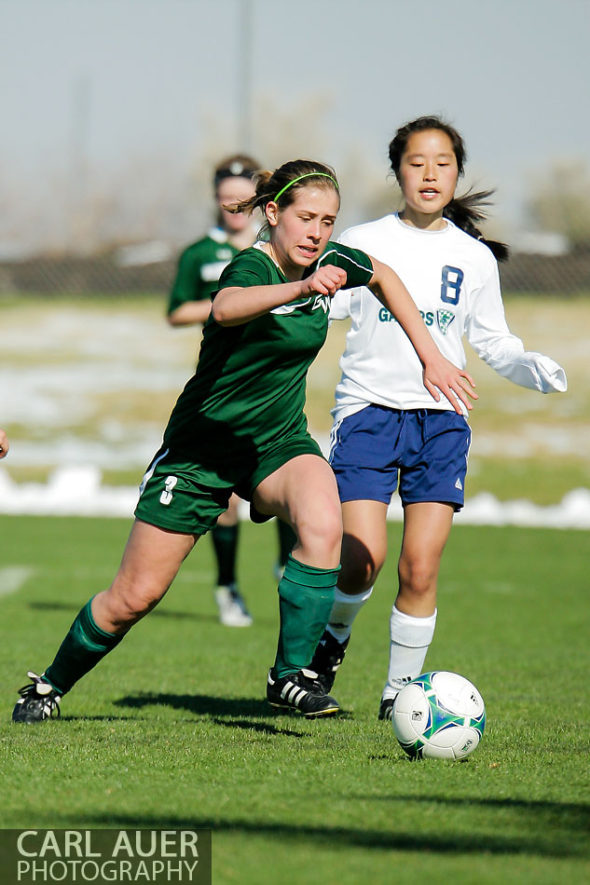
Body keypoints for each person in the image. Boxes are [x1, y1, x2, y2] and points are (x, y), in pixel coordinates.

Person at [13, 158, 476, 725]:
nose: (318, 232)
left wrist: (431, 354)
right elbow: (226, 308)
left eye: (328, 221)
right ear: (274, 213)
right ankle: (48, 686)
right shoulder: (251, 268)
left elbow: (384, 276)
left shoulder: (331, 260)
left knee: (324, 520)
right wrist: (301, 287)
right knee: (135, 596)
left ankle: (290, 676)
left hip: (277, 443)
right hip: (201, 450)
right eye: (306, 218)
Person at [309, 116, 568, 719]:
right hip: (369, 411)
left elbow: (493, 341)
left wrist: (528, 365)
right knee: (361, 558)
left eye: (443, 163)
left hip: (442, 421)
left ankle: (401, 695)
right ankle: (333, 642)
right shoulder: (364, 238)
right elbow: (327, 306)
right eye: (417, 162)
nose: (430, 174)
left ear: (458, 172)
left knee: (419, 567)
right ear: (397, 169)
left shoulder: (474, 257)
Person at [167, 153, 296, 626]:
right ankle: (227, 587)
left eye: (240, 199)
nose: (231, 206)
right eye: (224, 199)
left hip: (268, 387)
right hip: (218, 386)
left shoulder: (284, 253)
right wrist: (229, 304)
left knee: (293, 476)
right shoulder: (201, 253)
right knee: (225, 500)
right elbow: (176, 311)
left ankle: (287, 567)